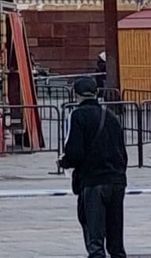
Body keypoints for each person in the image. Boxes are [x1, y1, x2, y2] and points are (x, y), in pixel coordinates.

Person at [58, 75, 127, 258]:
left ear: (76, 94)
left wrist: (63, 162)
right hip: (116, 181)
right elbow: (122, 152)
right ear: (96, 93)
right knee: (116, 238)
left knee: (94, 238)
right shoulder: (111, 116)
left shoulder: (77, 116)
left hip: (92, 181)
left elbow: (74, 152)